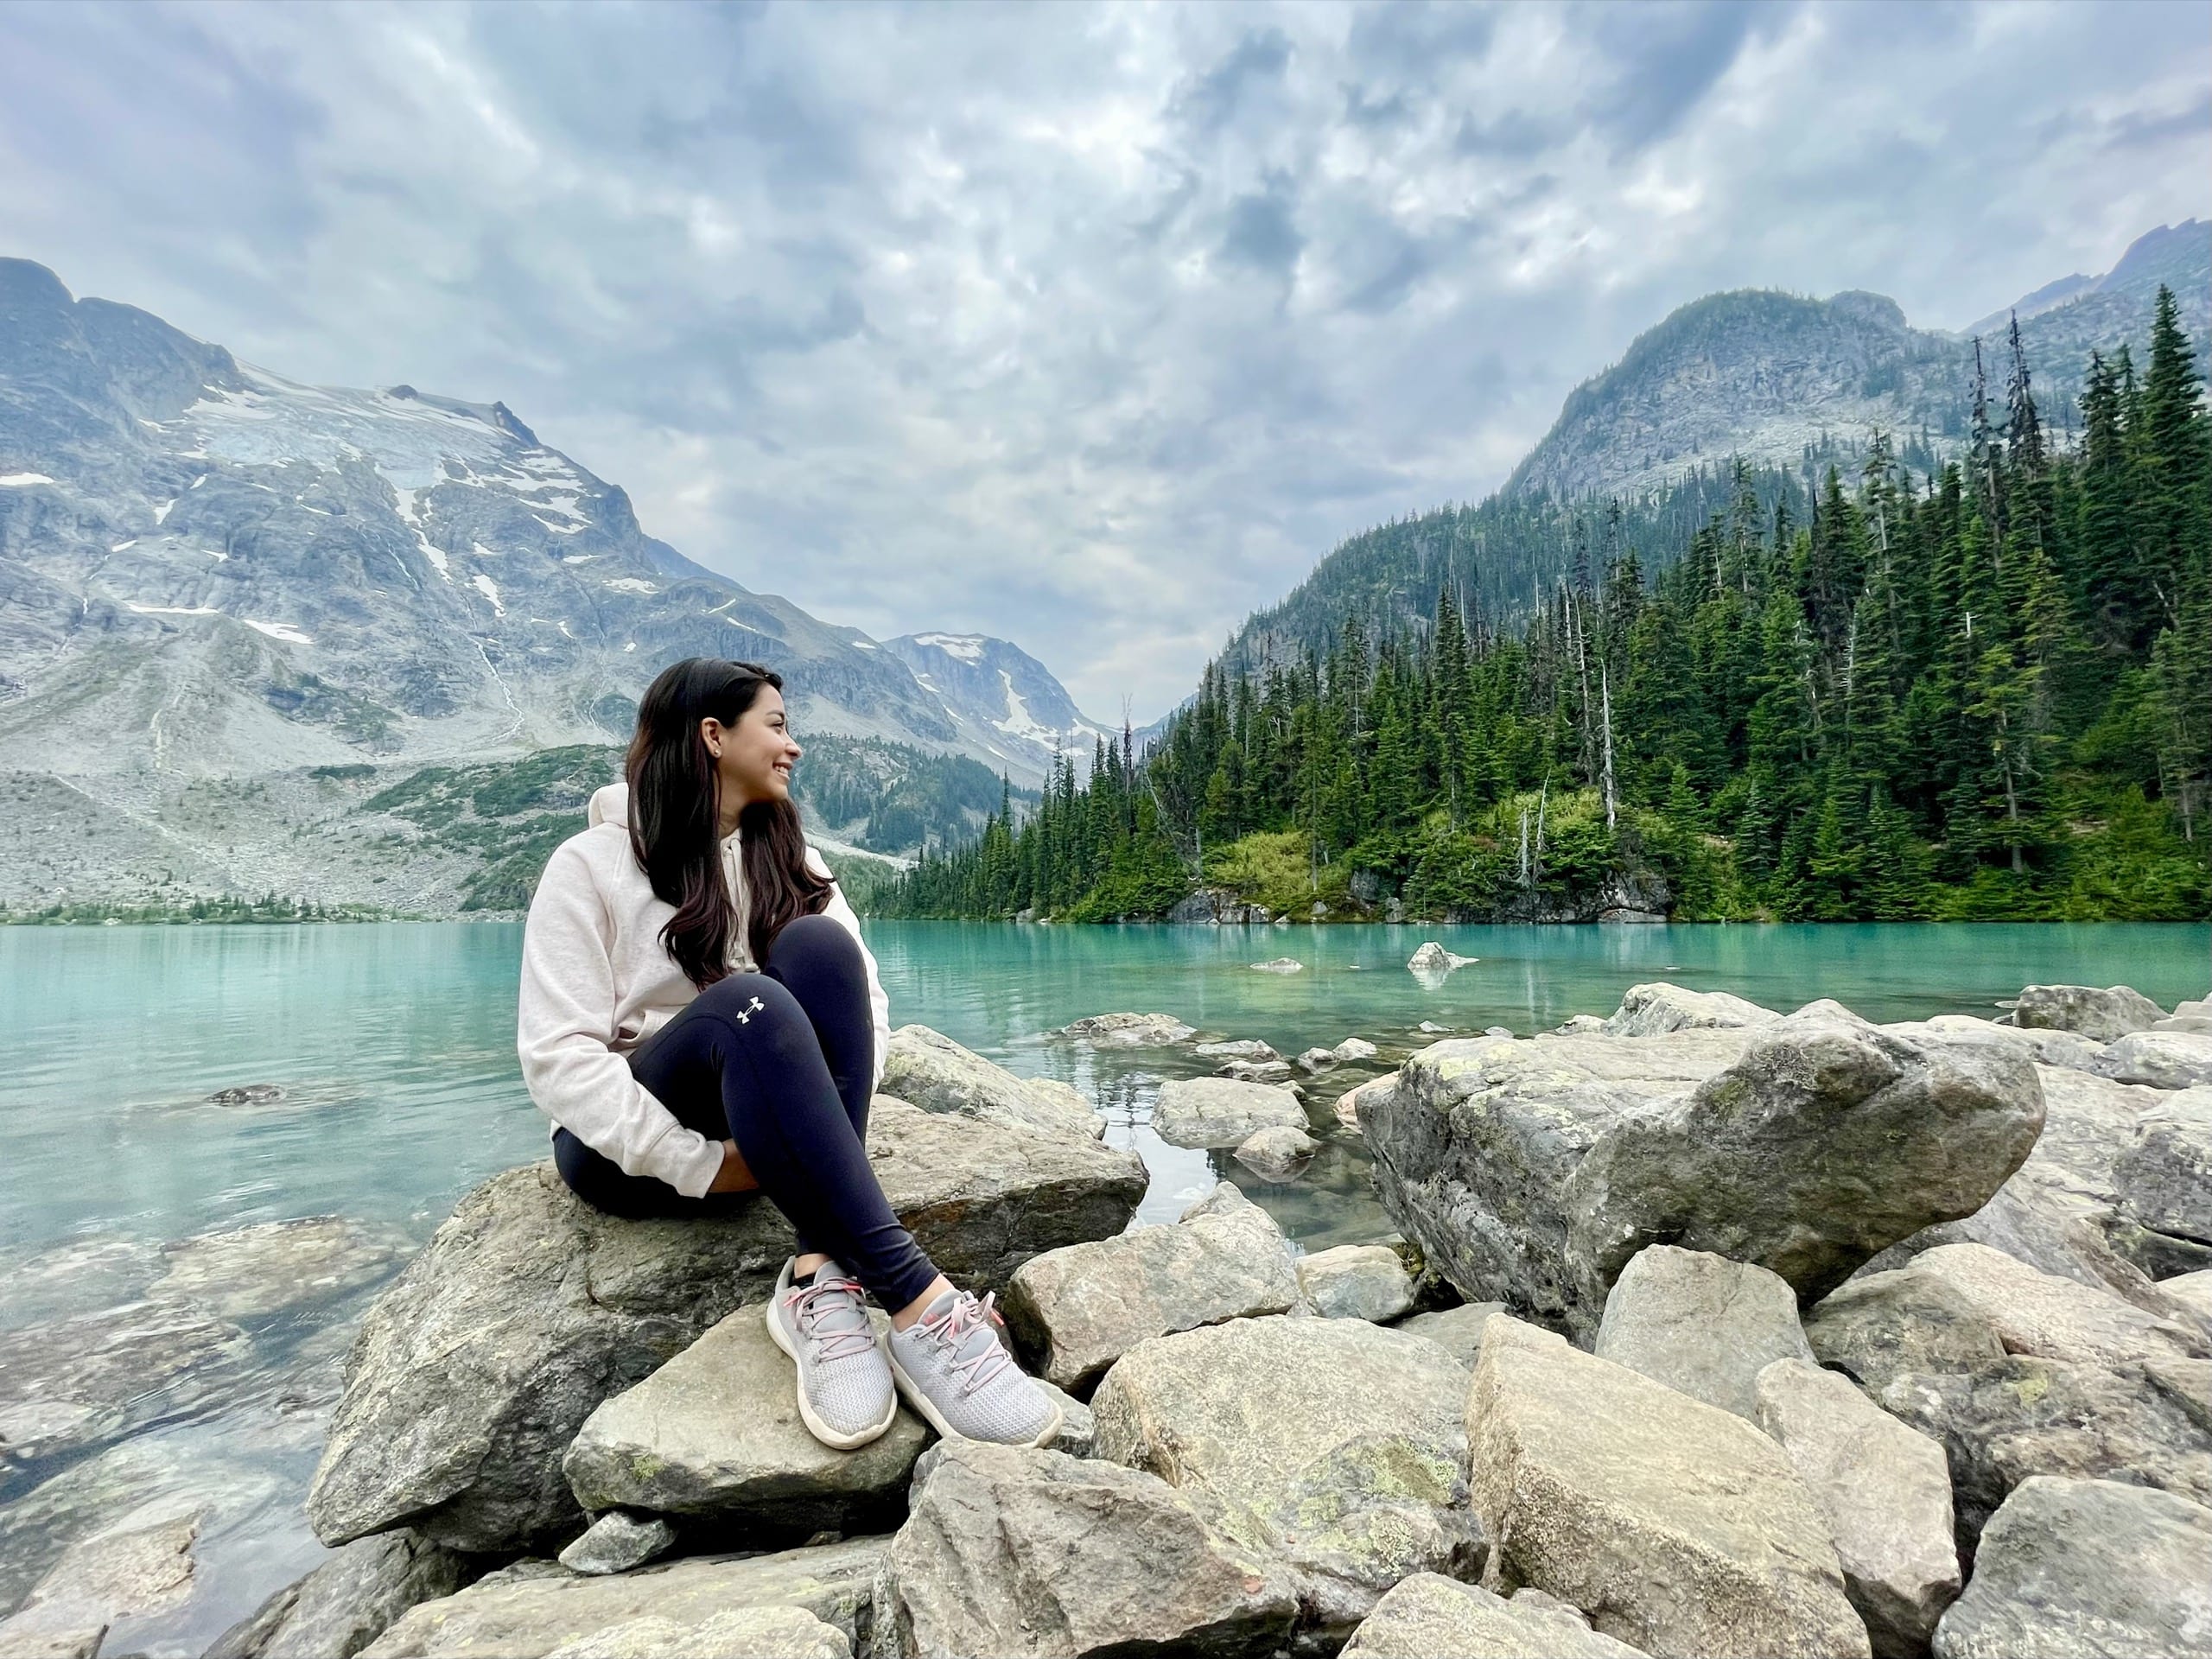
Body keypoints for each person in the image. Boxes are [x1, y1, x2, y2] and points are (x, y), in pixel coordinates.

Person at [516, 657, 1060, 1452]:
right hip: (628, 1157)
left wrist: (823, 1139)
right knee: (754, 999)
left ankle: (820, 1274)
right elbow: (557, 1058)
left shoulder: (792, 860)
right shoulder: (589, 864)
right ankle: (916, 1299)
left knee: (820, 947)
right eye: (775, 725)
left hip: (773, 1145)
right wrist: (704, 1162)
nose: (793, 745)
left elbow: (863, 1009)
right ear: (712, 736)